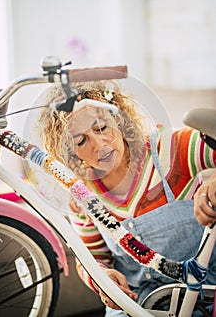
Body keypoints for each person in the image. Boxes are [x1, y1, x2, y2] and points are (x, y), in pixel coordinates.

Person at [38, 79, 216, 316]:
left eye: (101, 127)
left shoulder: (170, 149)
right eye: (81, 140)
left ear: (118, 119)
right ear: (71, 153)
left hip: (205, 293)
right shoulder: (81, 195)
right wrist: (102, 280)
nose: (99, 144)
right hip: (135, 302)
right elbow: (92, 258)